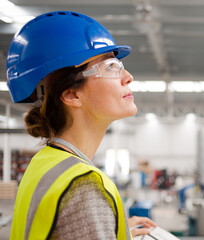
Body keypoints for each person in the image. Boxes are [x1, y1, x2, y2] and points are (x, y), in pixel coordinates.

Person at [7, 11, 156, 239]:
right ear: (72, 95)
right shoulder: (84, 187)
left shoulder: (45, 163)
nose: (128, 76)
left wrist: (107, 228)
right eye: (111, 67)